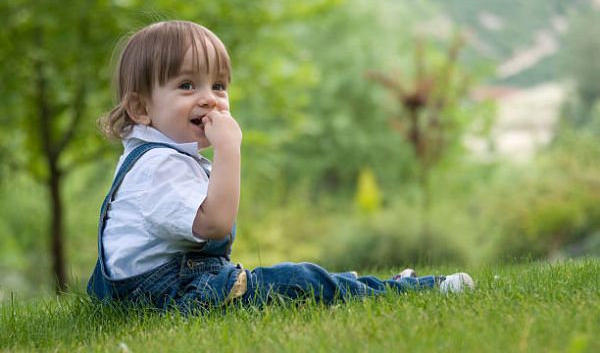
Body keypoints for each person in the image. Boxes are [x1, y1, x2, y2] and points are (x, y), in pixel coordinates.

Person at [87, 20, 474, 312]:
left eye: (218, 86)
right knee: (297, 279)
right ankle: (413, 289)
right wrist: (229, 151)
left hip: (171, 289)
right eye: (187, 86)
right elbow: (213, 225)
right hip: (174, 296)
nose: (210, 99)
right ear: (141, 109)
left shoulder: (162, 157)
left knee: (292, 281)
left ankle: (362, 285)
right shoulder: (159, 167)